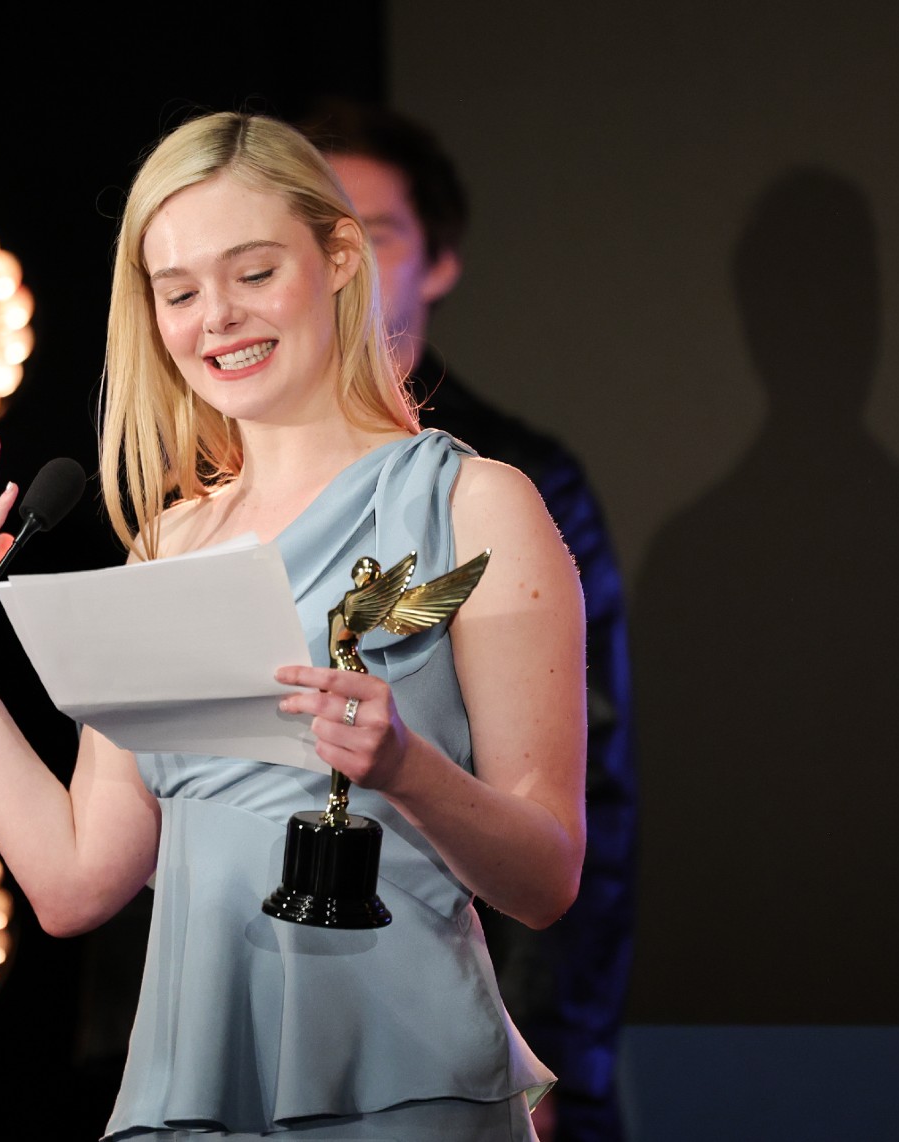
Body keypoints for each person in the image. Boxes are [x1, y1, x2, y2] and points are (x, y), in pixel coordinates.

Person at [0, 110, 587, 1141]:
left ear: (340, 256)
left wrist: (406, 768)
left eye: (254, 272)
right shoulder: (165, 548)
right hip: (198, 1091)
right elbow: (75, 881)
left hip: (402, 1082)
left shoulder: (472, 504)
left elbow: (546, 879)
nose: (217, 318)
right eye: (179, 292)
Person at [299, 99, 639, 1142]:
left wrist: (550, 1050)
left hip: (452, 1012)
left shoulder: (509, 481)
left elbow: (581, 785)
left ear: (439, 261)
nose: (345, 265)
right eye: (317, 234)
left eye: (376, 232)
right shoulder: (215, 481)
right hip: (263, 1003)